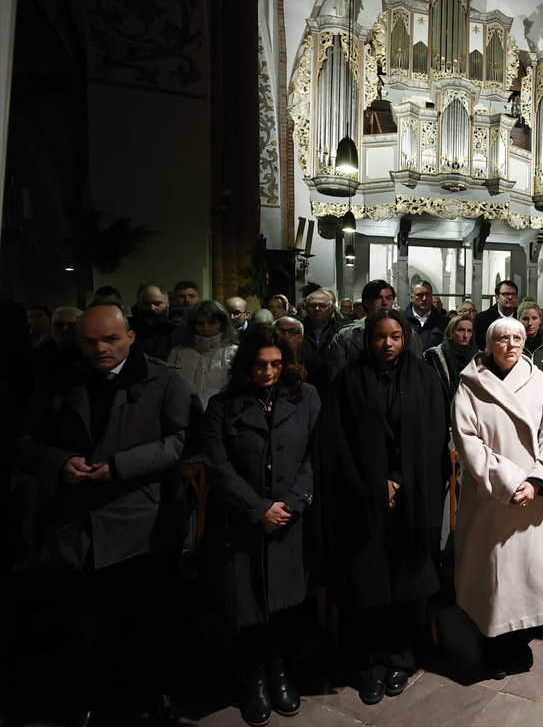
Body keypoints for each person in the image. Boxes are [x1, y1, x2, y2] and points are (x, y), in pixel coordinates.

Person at [15, 301, 202, 724]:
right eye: (90, 340)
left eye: (111, 339)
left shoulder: (164, 379)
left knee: (149, 618)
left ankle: (153, 695)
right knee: (88, 621)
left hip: (145, 518)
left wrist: (121, 465)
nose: (101, 348)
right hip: (80, 522)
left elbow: (186, 438)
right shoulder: (60, 383)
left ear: (130, 337)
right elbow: (25, 444)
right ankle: (96, 698)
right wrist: (59, 463)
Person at [315, 308, 450, 705]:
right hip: (361, 500)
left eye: (395, 336)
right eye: (379, 336)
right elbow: (338, 444)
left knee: (407, 581)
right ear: (367, 338)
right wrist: (374, 486)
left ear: (405, 338)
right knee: (365, 581)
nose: (387, 344)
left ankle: (400, 656)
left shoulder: (425, 379)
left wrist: (399, 481)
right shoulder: (349, 380)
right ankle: (365, 661)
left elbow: (430, 442)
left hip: (410, 499)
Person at [202, 329, 318, 726]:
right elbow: (218, 467)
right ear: (245, 365)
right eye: (259, 364)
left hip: (288, 520)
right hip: (242, 523)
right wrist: (258, 509)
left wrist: (293, 502)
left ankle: (279, 670)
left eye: (275, 363)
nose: (268, 372)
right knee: (247, 605)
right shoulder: (222, 405)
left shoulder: (306, 398)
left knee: (283, 605)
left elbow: (315, 456)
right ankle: (254, 679)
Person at [452, 317, 543, 679]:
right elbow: (468, 441)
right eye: (503, 338)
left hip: (532, 496)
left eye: (517, 337)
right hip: (492, 497)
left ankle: (519, 641)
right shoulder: (471, 384)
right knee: (494, 576)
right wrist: (510, 482)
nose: (512, 343)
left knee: (526, 575)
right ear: (489, 344)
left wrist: (537, 480)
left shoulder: (539, 381)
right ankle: (492, 643)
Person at [166, 299, 240, 410]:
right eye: (200, 323)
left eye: (212, 323)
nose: (205, 328)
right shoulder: (178, 352)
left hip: (219, 417)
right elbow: (169, 387)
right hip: (185, 416)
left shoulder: (234, 353)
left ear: (222, 324)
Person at [328, 279, 397, 375]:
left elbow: (413, 374)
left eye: (389, 298)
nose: (385, 303)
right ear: (366, 302)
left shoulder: (408, 334)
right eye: (378, 298)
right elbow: (339, 375)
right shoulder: (344, 335)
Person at [276, 316, 331, 398]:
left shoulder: (317, 364)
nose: (286, 336)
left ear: (301, 338)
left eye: (292, 331)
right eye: (280, 331)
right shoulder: (263, 360)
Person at [425, 313, 475, 398]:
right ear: (451, 331)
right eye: (461, 330)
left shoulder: (479, 356)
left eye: (469, 331)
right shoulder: (434, 355)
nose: (465, 336)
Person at [130, 283, 182, 360]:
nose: (152, 308)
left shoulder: (182, 327)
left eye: (157, 304)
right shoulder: (129, 327)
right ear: (138, 304)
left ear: (167, 304)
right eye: (146, 304)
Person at [32, 306, 82, 377]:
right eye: (59, 324)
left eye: (72, 325)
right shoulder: (39, 354)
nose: (64, 328)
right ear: (52, 327)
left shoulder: (89, 352)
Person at [473, 280, 520, 350]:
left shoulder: (522, 318)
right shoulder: (482, 319)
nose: (510, 297)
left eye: (513, 294)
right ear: (497, 298)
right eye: (506, 294)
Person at [404, 280, 448, 354]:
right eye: (419, 295)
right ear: (411, 297)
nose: (424, 298)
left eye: (427, 294)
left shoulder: (444, 322)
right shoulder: (402, 320)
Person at [299, 288, 339, 356]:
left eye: (323, 306)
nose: (317, 309)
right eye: (312, 305)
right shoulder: (296, 329)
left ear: (331, 308)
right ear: (305, 307)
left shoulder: (340, 330)